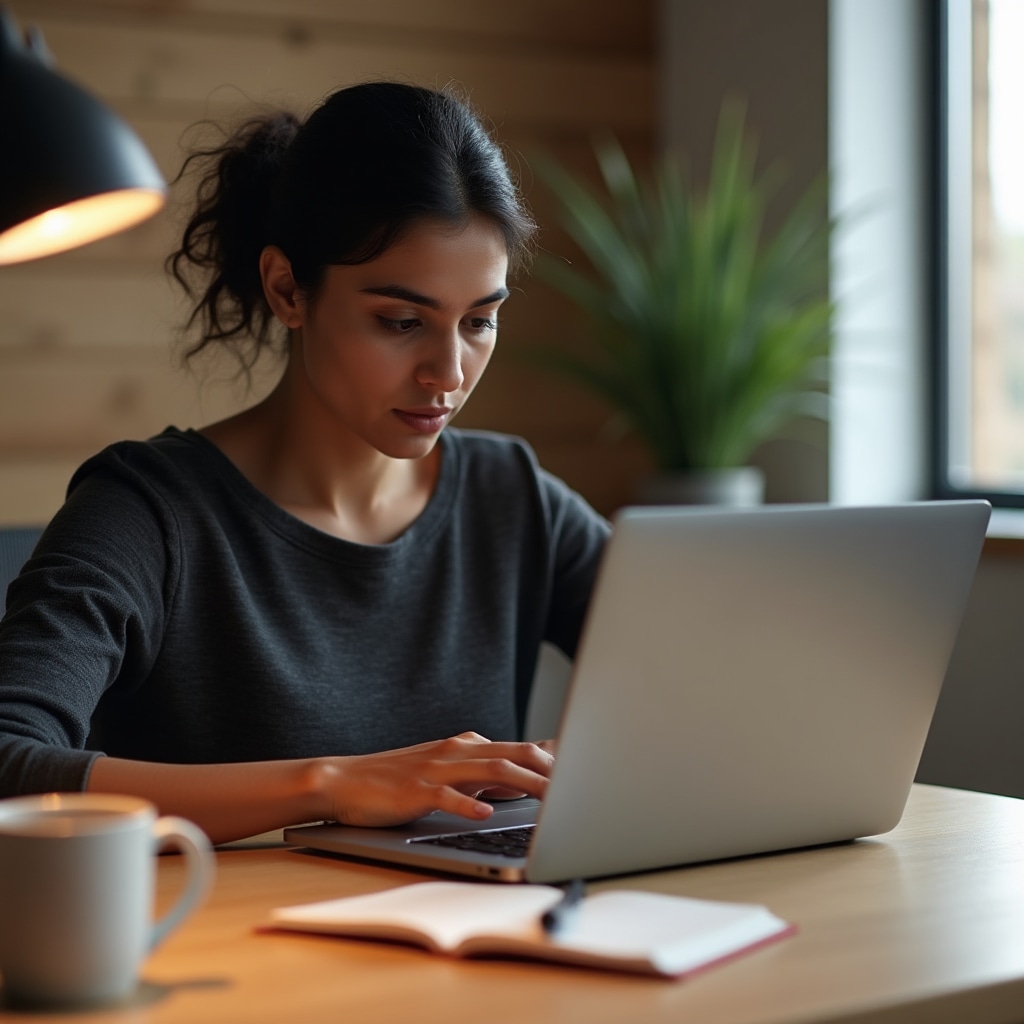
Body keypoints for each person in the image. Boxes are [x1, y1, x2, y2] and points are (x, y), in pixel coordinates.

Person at [0, 81, 610, 844]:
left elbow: (707, 668)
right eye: (400, 321)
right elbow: (9, 759)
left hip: (480, 940)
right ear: (288, 289)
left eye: (481, 321)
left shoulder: (511, 496)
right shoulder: (149, 512)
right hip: (227, 948)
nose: (448, 372)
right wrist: (333, 783)